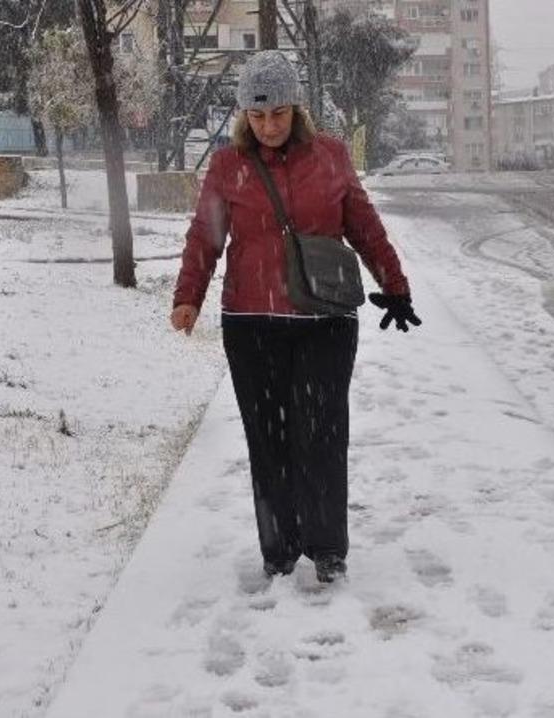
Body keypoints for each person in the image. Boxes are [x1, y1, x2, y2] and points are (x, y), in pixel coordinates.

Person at [170, 51, 420, 584]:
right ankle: (279, 550)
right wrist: (187, 295)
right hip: (250, 321)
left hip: (324, 320)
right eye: (258, 117)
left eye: (278, 113)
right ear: (244, 115)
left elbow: (365, 226)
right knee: (268, 439)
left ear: (295, 108)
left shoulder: (330, 156)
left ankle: (328, 550)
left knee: (323, 434)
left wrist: (394, 286)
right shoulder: (227, 165)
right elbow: (205, 235)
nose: (269, 126)